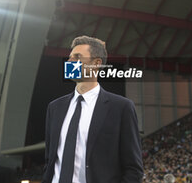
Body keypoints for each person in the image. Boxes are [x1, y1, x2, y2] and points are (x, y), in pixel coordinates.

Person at [42, 36, 143, 183]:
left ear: (96, 64)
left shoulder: (121, 107)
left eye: (77, 57)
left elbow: (133, 168)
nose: (69, 62)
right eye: (69, 57)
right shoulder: (55, 108)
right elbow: (50, 160)